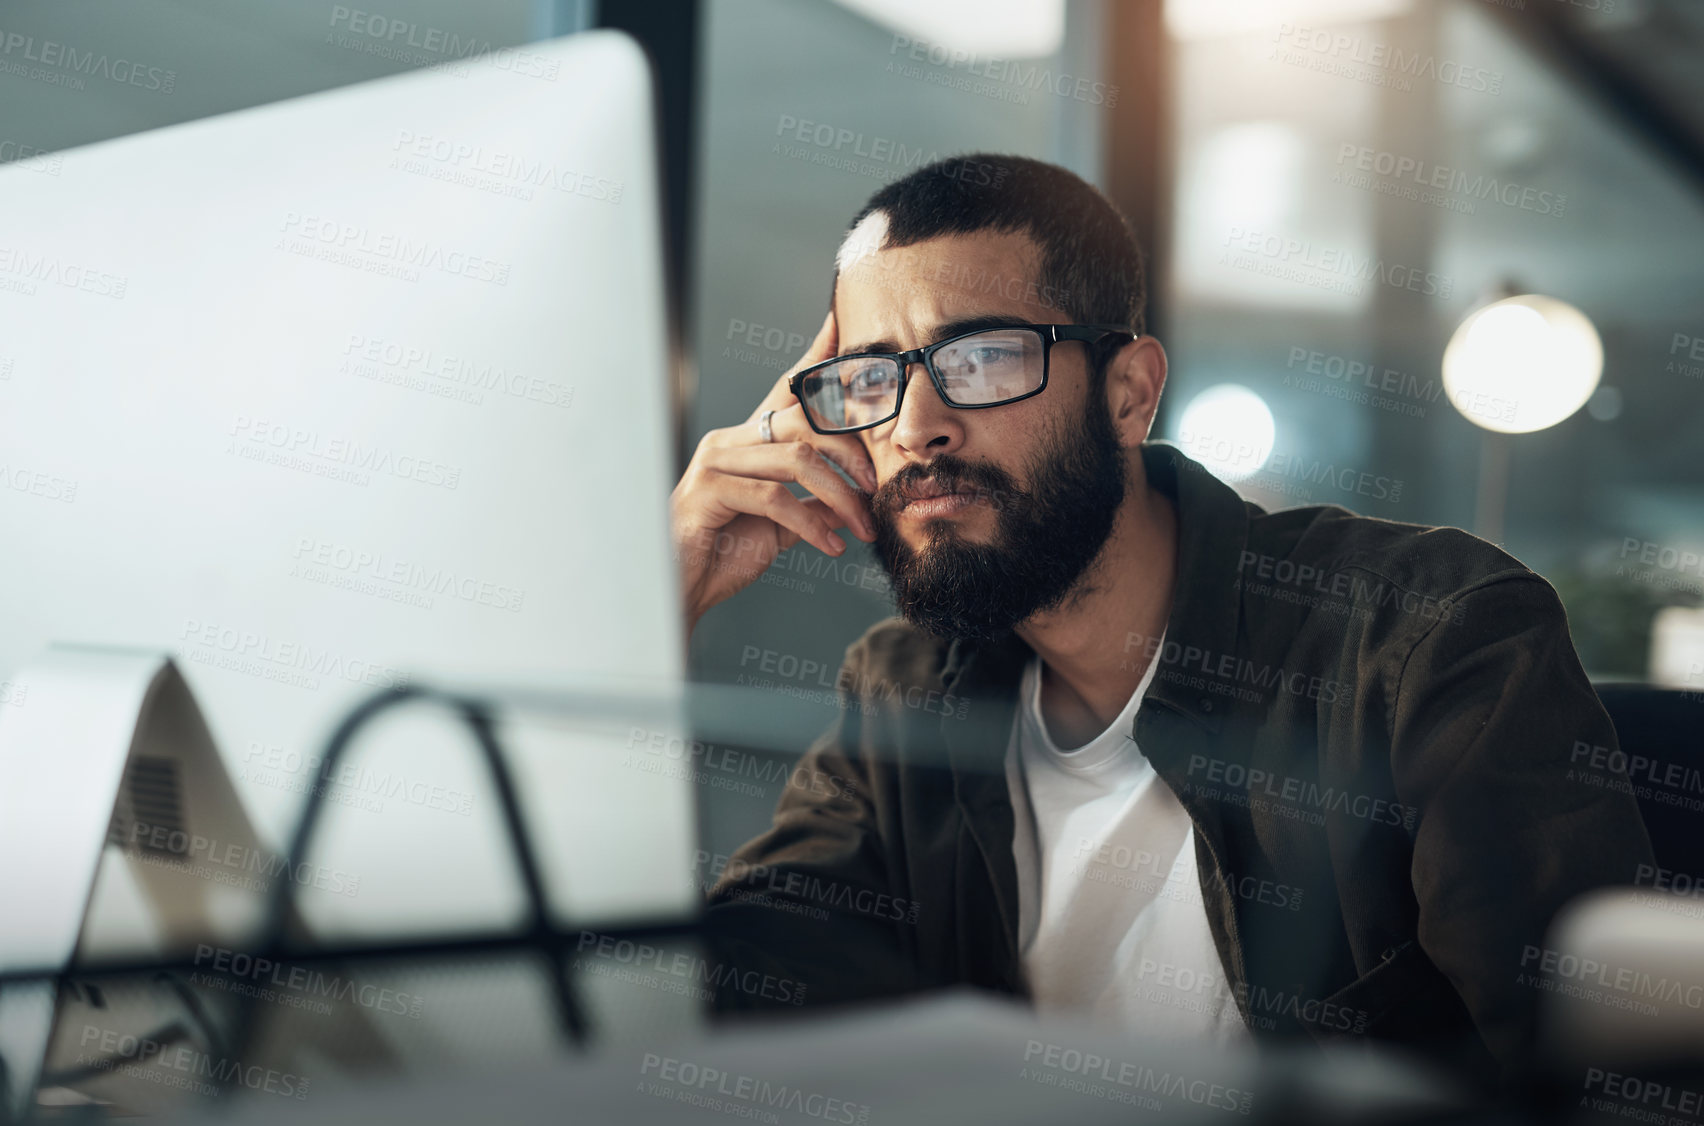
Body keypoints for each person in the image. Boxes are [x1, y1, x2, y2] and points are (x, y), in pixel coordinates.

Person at [669, 153, 1652, 1088]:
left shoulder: (1426, 637)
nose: (913, 425)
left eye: (981, 357)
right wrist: (669, 587)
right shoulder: (904, 687)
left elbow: (1598, 1077)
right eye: (873, 377)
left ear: (1130, 393)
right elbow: (720, 992)